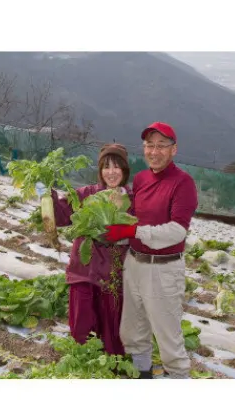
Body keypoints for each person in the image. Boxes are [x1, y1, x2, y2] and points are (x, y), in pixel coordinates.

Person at [104, 122, 198, 379]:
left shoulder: (183, 183)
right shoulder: (142, 179)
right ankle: (142, 375)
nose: (153, 152)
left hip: (164, 268)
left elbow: (177, 231)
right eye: (149, 145)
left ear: (173, 150)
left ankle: (179, 378)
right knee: (133, 330)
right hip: (134, 263)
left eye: (161, 146)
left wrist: (131, 232)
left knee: (168, 338)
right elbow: (134, 215)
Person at [52, 143, 132, 356]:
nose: (111, 172)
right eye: (106, 167)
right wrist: (46, 194)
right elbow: (60, 215)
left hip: (114, 276)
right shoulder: (87, 194)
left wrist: (122, 235)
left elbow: (141, 232)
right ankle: (83, 369)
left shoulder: (133, 199)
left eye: (117, 167)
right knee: (82, 328)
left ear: (125, 170)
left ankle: (111, 370)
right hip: (83, 272)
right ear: (100, 170)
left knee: (112, 333)